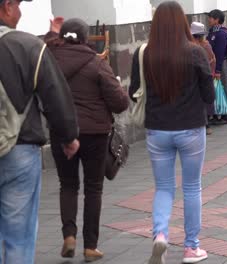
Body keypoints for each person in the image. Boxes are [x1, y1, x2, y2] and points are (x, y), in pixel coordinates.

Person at [128, 2, 215, 263]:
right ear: (182, 22)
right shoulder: (195, 52)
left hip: (157, 129)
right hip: (190, 128)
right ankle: (191, 247)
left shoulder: (143, 53)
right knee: (192, 187)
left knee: (163, 188)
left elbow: (134, 91)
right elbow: (209, 94)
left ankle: (160, 235)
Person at [0, 1, 80, 263]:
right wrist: (68, 137)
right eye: (19, 5)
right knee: (18, 235)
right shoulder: (27, 46)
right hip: (18, 149)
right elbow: (55, 95)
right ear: (8, 6)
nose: (21, 13)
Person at [45, 18, 129, 261]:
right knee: (93, 189)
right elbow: (119, 102)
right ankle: (90, 246)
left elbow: (45, 48)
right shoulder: (96, 62)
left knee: (68, 184)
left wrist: (52, 34)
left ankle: (69, 236)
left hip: (61, 131)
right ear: (85, 38)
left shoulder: (51, 59)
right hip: (95, 133)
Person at [207, 9, 227, 125]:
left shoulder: (221, 33)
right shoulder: (212, 32)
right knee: (215, 89)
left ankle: (223, 115)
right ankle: (214, 114)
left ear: (217, 20)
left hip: (220, 64)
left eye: (211, 18)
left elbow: (220, 53)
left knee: (222, 88)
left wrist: (217, 70)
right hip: (213, 64)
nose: (209, 20)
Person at [191, 21, 216, 135]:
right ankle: (205, 124)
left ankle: (205, 125)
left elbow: (211, 61)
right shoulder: (204, 46)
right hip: (203, 77)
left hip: (199, 78)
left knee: (201, 102)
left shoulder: (202, 47)